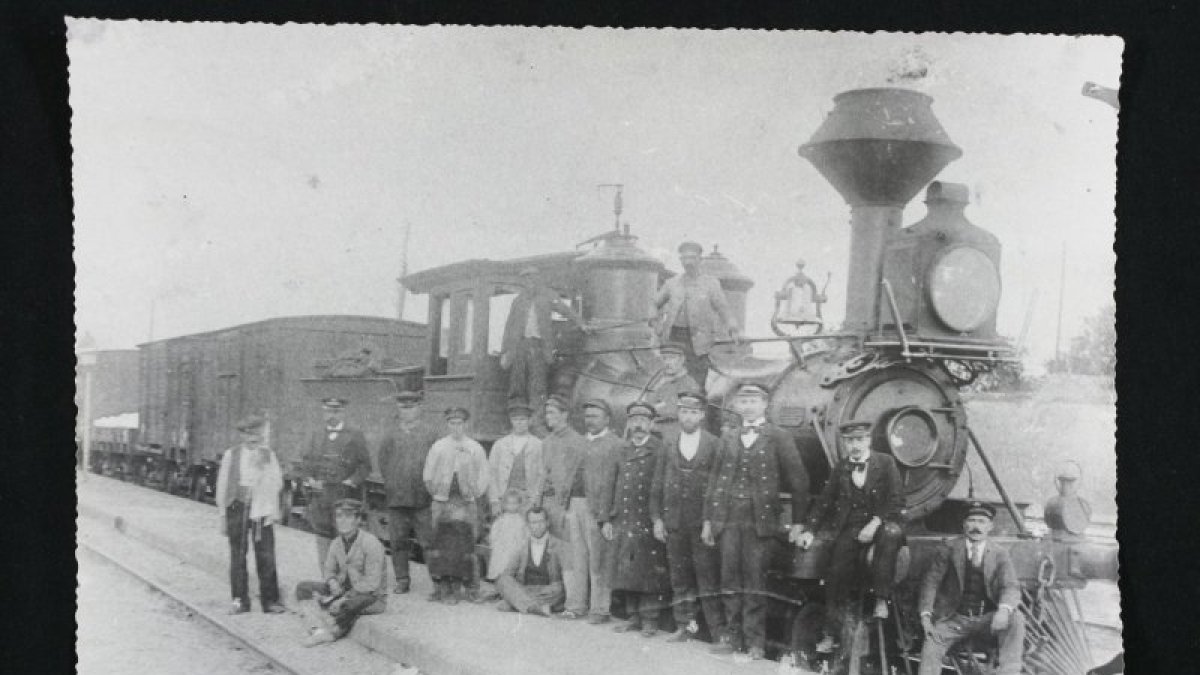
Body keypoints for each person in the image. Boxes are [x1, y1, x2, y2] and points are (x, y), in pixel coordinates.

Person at [701, 382, 810, 660]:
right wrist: (709, 520)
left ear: (764, 405)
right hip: (728, 519)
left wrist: (799, 522)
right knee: (729, 578)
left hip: (760, 521)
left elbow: (799, 480)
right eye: (743, 401)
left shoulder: (779, 436)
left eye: (753, 401)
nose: (748, 406)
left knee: (754, 580)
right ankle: (732, 636)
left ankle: (755, 642)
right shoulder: (728, 437)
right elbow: (714, 481)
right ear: (737, 406)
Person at [797, 421, 905, 653]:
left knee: (891, 534)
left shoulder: (886, 462)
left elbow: (896, 499)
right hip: (851, 527)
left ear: (869, 440)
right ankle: (831, 633)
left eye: (860, 440)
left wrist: (875, 523)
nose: (855, 445)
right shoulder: (842, 467)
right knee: (836, 574)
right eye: (850, 441)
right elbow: (825, 501)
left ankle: (881, 599)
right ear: (845, 443)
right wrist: (810, 530)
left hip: (882, 522)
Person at [650, 391, 725, 643]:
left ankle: (717, 631)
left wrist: (709, 522)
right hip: (674, 521)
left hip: (701, 523)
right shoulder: (668, 443)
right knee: (679, 577)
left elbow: (718, 487)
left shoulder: (714, 444)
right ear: (678, 414)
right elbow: (657, 482)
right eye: (684, 411)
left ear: (702, 415)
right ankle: (685, 626)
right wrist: (657, 518)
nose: (688, 417)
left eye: (693, 412)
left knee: (707, 578)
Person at [916, 502, 1025, 675]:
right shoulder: (949, 549)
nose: (976, 526)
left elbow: (1010, 586)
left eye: (981, 522)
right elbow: (931, 582)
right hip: (954, 620)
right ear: (964, 524)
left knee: (1016, 619)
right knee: (931, 646)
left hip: (987, 620)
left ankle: (1010, 672)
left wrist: (1004, 610)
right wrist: (926, 616)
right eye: (972, 520)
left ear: (990, 526)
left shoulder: (999, 553)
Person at [542, 396, 619, 622]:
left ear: (607, 419)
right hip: (574, 505)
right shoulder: (579, 442)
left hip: (598, 509)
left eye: (595, 416)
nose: (590, 420)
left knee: (598, 560)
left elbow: (618, 483)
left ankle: (600, 609)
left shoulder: (616, 444)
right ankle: (576, 606)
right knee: (577, 558)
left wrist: (608, 516)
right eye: (587, 416)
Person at [609, 401, 672, 637]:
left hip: (648, 519)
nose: (638, 425)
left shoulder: (660, 449)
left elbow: (663, 486)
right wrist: (608, 518)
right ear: (629, 423)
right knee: (628, 570)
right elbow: (613, 483)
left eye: (643, 421)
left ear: (651, 424)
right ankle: (633, 616)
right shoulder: (622, 449)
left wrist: (659, 519)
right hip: (625, 518)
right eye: (634, 420)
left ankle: (650, 620)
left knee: (649, 573)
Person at [214, 413, 286, 615]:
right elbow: (222, 485)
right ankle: (240, 600)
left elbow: (278, 483)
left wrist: (263, 478)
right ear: (242, 435)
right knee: (238, 555)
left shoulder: (268, 455)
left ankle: (270, 601)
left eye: (255, 435)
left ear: (260, 435)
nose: (252, 439)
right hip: (236, 507)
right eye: (248, 435)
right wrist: (222, 515)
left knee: (266, 555)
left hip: (261, 509)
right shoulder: (231, 455)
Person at [294, 498, 388, 647]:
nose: (342, 521)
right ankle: (317, 629)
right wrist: (332, 582)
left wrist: (344, 598)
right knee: (303, 588)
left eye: (348, 516)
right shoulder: (336, 543)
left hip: (371, 596)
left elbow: (372, 583)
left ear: (358, 520)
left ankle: (332, 632)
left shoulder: (371, 543)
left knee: (350, 605)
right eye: (339, 516)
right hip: (342, 590)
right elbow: (329, 569)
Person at [423, 407, 489, 604]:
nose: (456, 427)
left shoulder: (475, 447)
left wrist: (475, 492)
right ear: (447, 424)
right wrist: (436, 493)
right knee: (439, 544)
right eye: (452, 423)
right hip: (442, 502)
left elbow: (484, 474)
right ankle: (440, 589)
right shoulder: (439, 446)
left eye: (459, 423)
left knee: (467, 545)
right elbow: (428, 474)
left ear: (465, 424)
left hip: (466, 502)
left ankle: (472, 589)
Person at [376, 390, 440, 594]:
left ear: (419, 408)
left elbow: (437, 463)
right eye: (403, 408)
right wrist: (393, 483)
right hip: (397, 498)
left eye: (411, 408)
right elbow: (383, 461)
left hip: (423, 498)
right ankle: (402, 580)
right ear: (398, 410)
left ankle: (437, 582)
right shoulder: (391, 434)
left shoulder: (430, 434)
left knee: (429, 542)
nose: (407, 412)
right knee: (398, 542)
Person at [500, 266, 591, 406]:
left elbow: (565, 310)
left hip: (539, 346)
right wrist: (505, 352)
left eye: (532, 277)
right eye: (526, 278)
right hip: (520, 346)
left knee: (538, 384)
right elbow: (509, 326)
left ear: (538, 279)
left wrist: (581, 323)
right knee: (517, 383)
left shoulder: (548, 295)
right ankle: (517, 413)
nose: (529, 281)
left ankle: (536, 413)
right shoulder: (518, 300)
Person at [653, 241, 741, 388]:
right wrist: (657, 325)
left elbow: (723, 308)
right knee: (671, 377)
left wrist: (733, 328)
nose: (688, 262)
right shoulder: (671, 283)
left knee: (697, 380)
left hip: (699, 342)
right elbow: (654, 304)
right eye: (685, 258)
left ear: (700, 259)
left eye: (692, 258)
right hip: (673, 339)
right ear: (681, 260)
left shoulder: (711, 284)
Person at [299, 397, 372, 568]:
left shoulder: (354, 435)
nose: (331, 415)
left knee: (345, 538)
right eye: (328, 411)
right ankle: (327, 577)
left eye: (336, 411)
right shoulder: (316, 434)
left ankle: (346, 577)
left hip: (344, 496)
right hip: (321, 496)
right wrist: (310, 479)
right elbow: (306, 462)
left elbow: (365, 466)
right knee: (322, 539)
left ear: (343, 413)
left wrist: (351, 481)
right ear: (323, 413)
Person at [495, 506, 568, 616]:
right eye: (533, 522)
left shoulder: (559, 545)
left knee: (560, 588)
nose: (538, 526)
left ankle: (519, 603)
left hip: (548, 591)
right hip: (525, 589)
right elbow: (508, 573)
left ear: (547, 523)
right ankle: (535, 607)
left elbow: (565, 576)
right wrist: (513, 587)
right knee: (502, 580)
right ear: (528, 525)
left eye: (541, 521)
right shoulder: (522, 546)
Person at [487, 400, 545, 514]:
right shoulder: (500, 444)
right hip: (504, 497)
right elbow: (491, 473)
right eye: (515, 419)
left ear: (529, 421)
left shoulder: (538, 445)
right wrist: (494, 501)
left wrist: (535, 499)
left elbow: (541, 474)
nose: (519, 423)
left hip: (527, 498)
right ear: (511, 421)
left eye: (523, 419)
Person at [645, 342, 701, 441]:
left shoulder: (689, 384)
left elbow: (676, 410)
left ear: (682, 360)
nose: (667, 363)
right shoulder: (658, 381)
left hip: (674, 433)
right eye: (664, 358)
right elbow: (647, 402)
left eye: (671, 358)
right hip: (653, 430)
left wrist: (654, 408)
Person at [485, 489, 531, 584]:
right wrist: (494, 541)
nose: (512, 506)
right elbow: (495, 529)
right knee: (498, 558)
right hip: (502, 544)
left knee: (510, 559)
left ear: (519, 504)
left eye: (514, 503)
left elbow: (525, 533)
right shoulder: (502, 518)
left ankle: (508, 577)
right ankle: (494, 576)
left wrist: (523, 543)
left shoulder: (520, 520)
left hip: (514, 544)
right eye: (509, 503)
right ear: (505, 505)